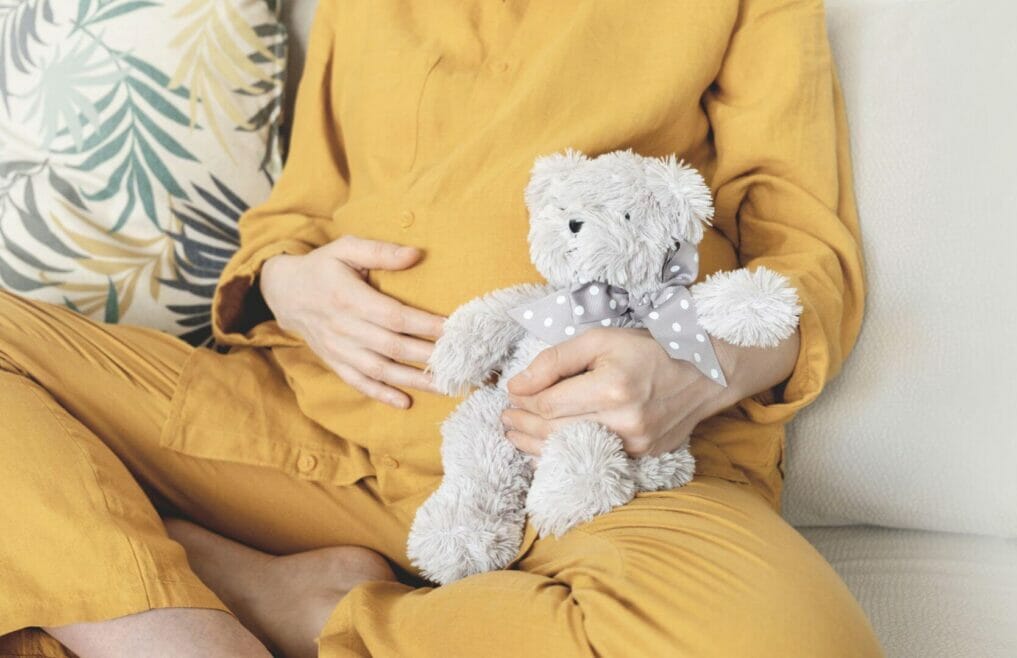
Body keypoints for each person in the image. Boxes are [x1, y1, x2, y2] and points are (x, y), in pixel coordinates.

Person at [0, 1, 881, 656]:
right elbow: (293, 219)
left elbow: (809, 256)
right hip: (300, 421)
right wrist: (289, 280)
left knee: (794, 640)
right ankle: (175, 626)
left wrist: (701, 371)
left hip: (585, 470)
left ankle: (290, 608)